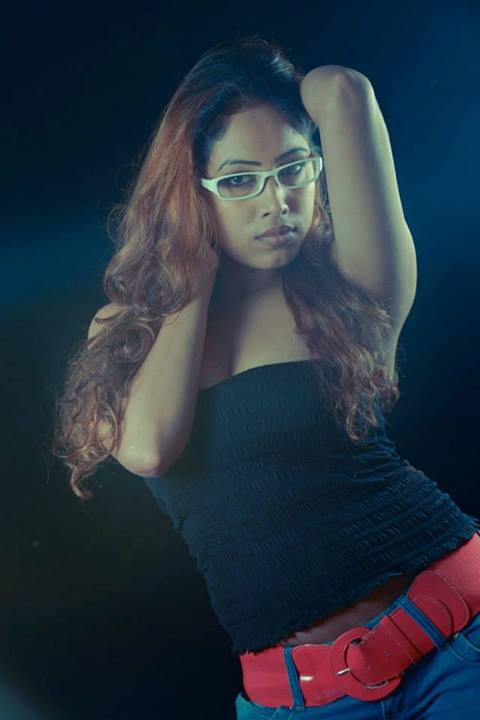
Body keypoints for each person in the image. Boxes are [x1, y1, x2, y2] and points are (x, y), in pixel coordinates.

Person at [51, 35, 480, 718]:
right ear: (191, 192)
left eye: (292, 169)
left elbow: (343, 91)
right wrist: (191, 278)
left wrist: (267, 81)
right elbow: (149, 448)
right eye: (240, 180)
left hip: (459, 646)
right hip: (300, 702)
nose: (276, 201)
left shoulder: (343, 284)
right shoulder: (127, 330)